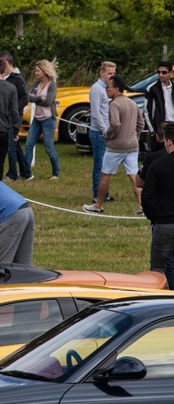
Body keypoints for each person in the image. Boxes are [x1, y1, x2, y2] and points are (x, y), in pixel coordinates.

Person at [83, 75, 144, 214]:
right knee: (134, 175)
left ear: (117, 89)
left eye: (109, 87)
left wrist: (108, 135)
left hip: (116, 147)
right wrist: (135, 135)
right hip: (132, 146)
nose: (106, 90)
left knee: (105, 175)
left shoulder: (115, 104)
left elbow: (115, 124)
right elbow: (141, 123)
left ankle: (98, 205)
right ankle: (141, 205)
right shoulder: (132, 103)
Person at [140, 122, 174, 289]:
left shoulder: (158, 165)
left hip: (164, 223)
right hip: (163, 220)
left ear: (168, 142)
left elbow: (146, 197)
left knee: (158, 269)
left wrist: (155, 217)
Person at [0, 52, 34, 181]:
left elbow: (25, 97)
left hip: (15, 115)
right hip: (6, 115)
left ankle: (12, 173)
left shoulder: (17, 79)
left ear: (6, 63)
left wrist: (14, 110)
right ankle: (26, 171)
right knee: (14, 143)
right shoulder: (5, 78)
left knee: (10, 145)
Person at [24, 59, 61, 180]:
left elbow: (48, 101)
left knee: (48, 147)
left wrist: (36, 98)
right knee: (29, 144)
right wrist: (39, 98)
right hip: (37, 119)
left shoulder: (52, 85)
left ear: (44, 71)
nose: (36, 73)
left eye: (38, 71)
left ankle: (56, 173)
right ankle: (26, 172)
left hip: (48, 119)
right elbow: (28, 96)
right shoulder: (36, 84)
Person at [88, 61, 117, 203]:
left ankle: (104, 192)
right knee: (100, 164)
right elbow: (96, 113)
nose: (112, 76)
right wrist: (105, 130)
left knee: (105, 164)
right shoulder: (97, 89)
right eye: (109, 73)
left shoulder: (106, 88)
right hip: (98, 132)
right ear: (102, 73)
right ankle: (97, 193)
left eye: (113, 73)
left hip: (106, 131)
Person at [145, 61, 174, 152]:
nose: (160, 75)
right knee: (159, 154)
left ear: (171, 73)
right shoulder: (152, 88)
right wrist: (153, 130)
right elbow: (146, 110)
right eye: (158, 72)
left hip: (172, 123)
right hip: (160, 126)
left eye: (164, 72)